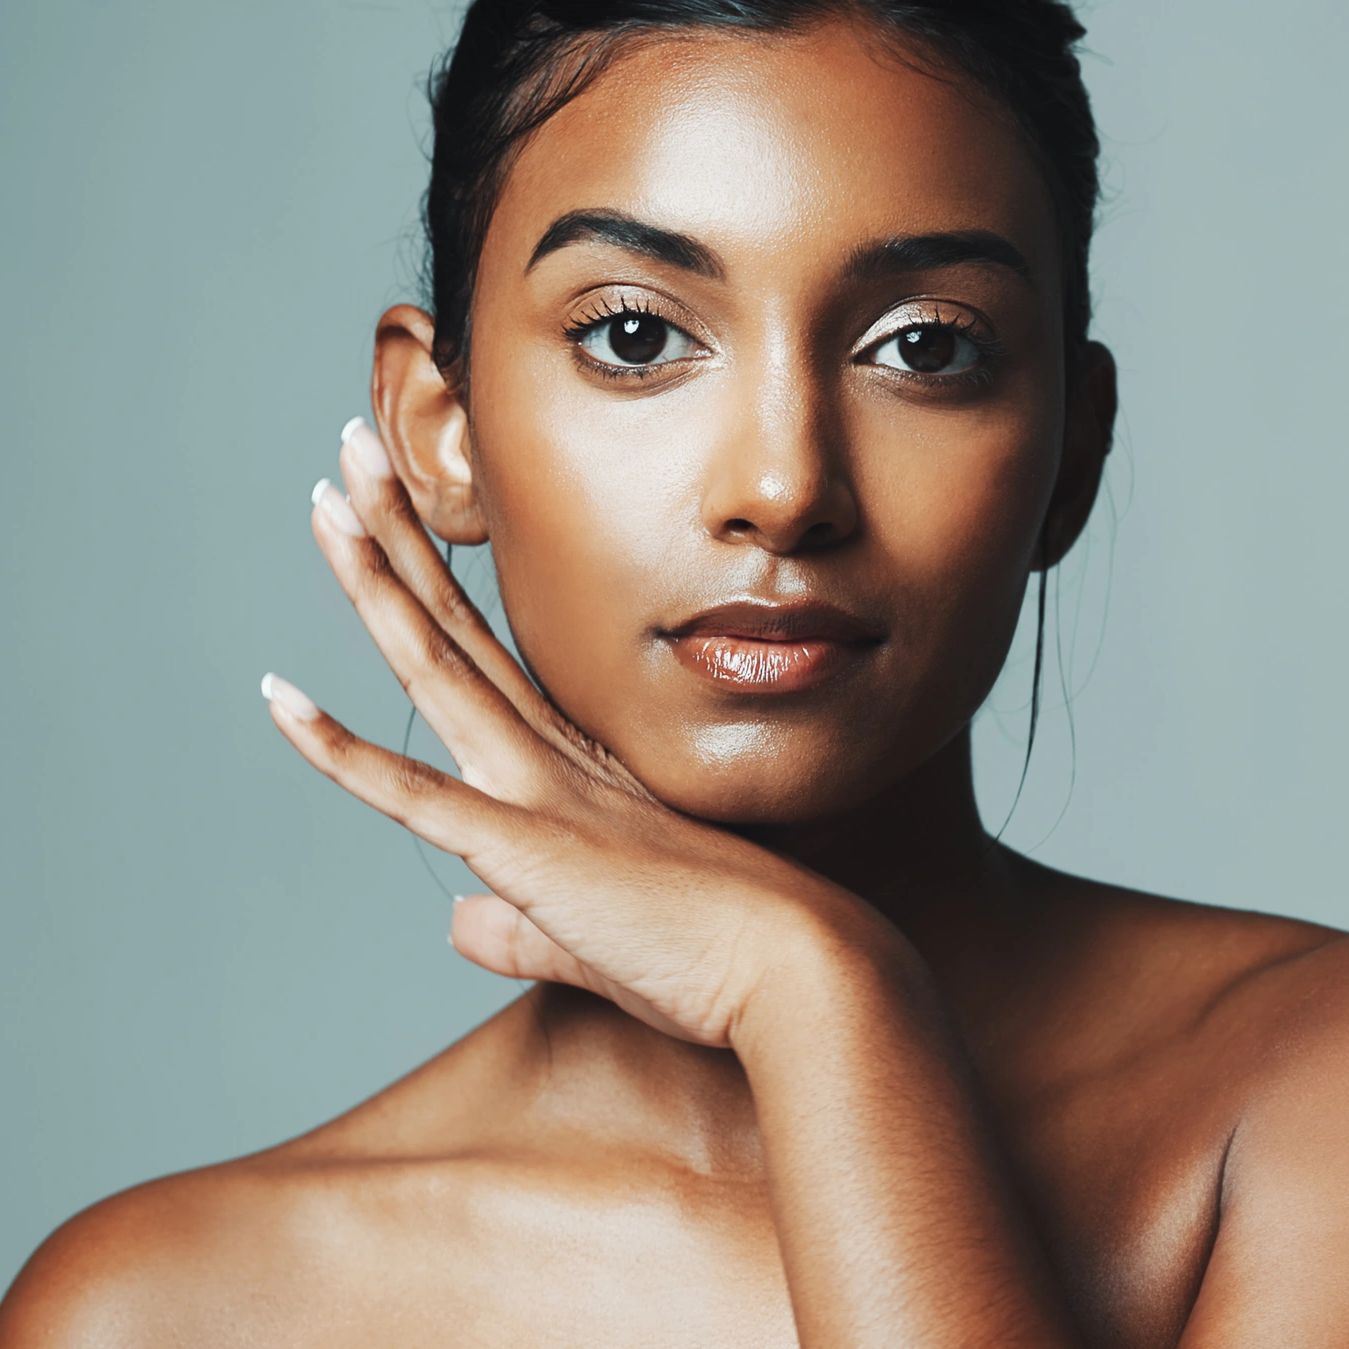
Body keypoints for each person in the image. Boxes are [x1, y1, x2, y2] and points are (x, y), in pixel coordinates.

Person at [4, 1, 1347, 1344]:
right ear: (441, 427)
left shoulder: (1299, 1096)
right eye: (635, 336)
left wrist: (823, 1005)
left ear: (1069, 449)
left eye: (923, 345)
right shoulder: (163, 1309)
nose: (781, 487)